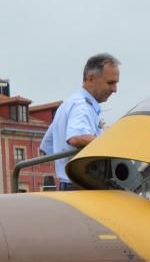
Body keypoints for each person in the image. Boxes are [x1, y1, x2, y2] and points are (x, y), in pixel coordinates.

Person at [40, 53, 121, 190]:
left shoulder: (68, 104)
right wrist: (111, 145)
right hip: (81, 185)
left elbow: (47, 146)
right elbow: (76, 137)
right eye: (110, 83)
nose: (114, 89)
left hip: (69, 184)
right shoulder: (81, 106)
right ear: (91, 79)